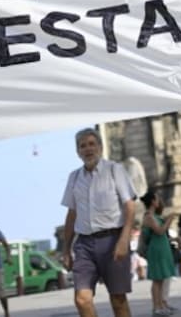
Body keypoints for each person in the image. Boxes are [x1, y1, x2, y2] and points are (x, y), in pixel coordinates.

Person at [60, 128, 137, 317]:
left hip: (113, 240)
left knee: (118, 300)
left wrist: (123, 240)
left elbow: (130, 206)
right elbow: (71, 214)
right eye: (83, 146)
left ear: (100, 147)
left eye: (92, 144)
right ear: (78, 151)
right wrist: (66, 249)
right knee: (82, 299)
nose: (88, 149)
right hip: (84, 244)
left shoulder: (114, 170)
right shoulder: (74, 177)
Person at [140, 191, 178, 317]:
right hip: (156, 249)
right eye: (156, 199)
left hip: (161, 248)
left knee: (161, 279)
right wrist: (170, 220)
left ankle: (161, 305)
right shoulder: (149, 216)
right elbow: (160, 231)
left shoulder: (154, 216)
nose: (159, 201)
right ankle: (156, 307)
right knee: (157, 280)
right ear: (152, 202)